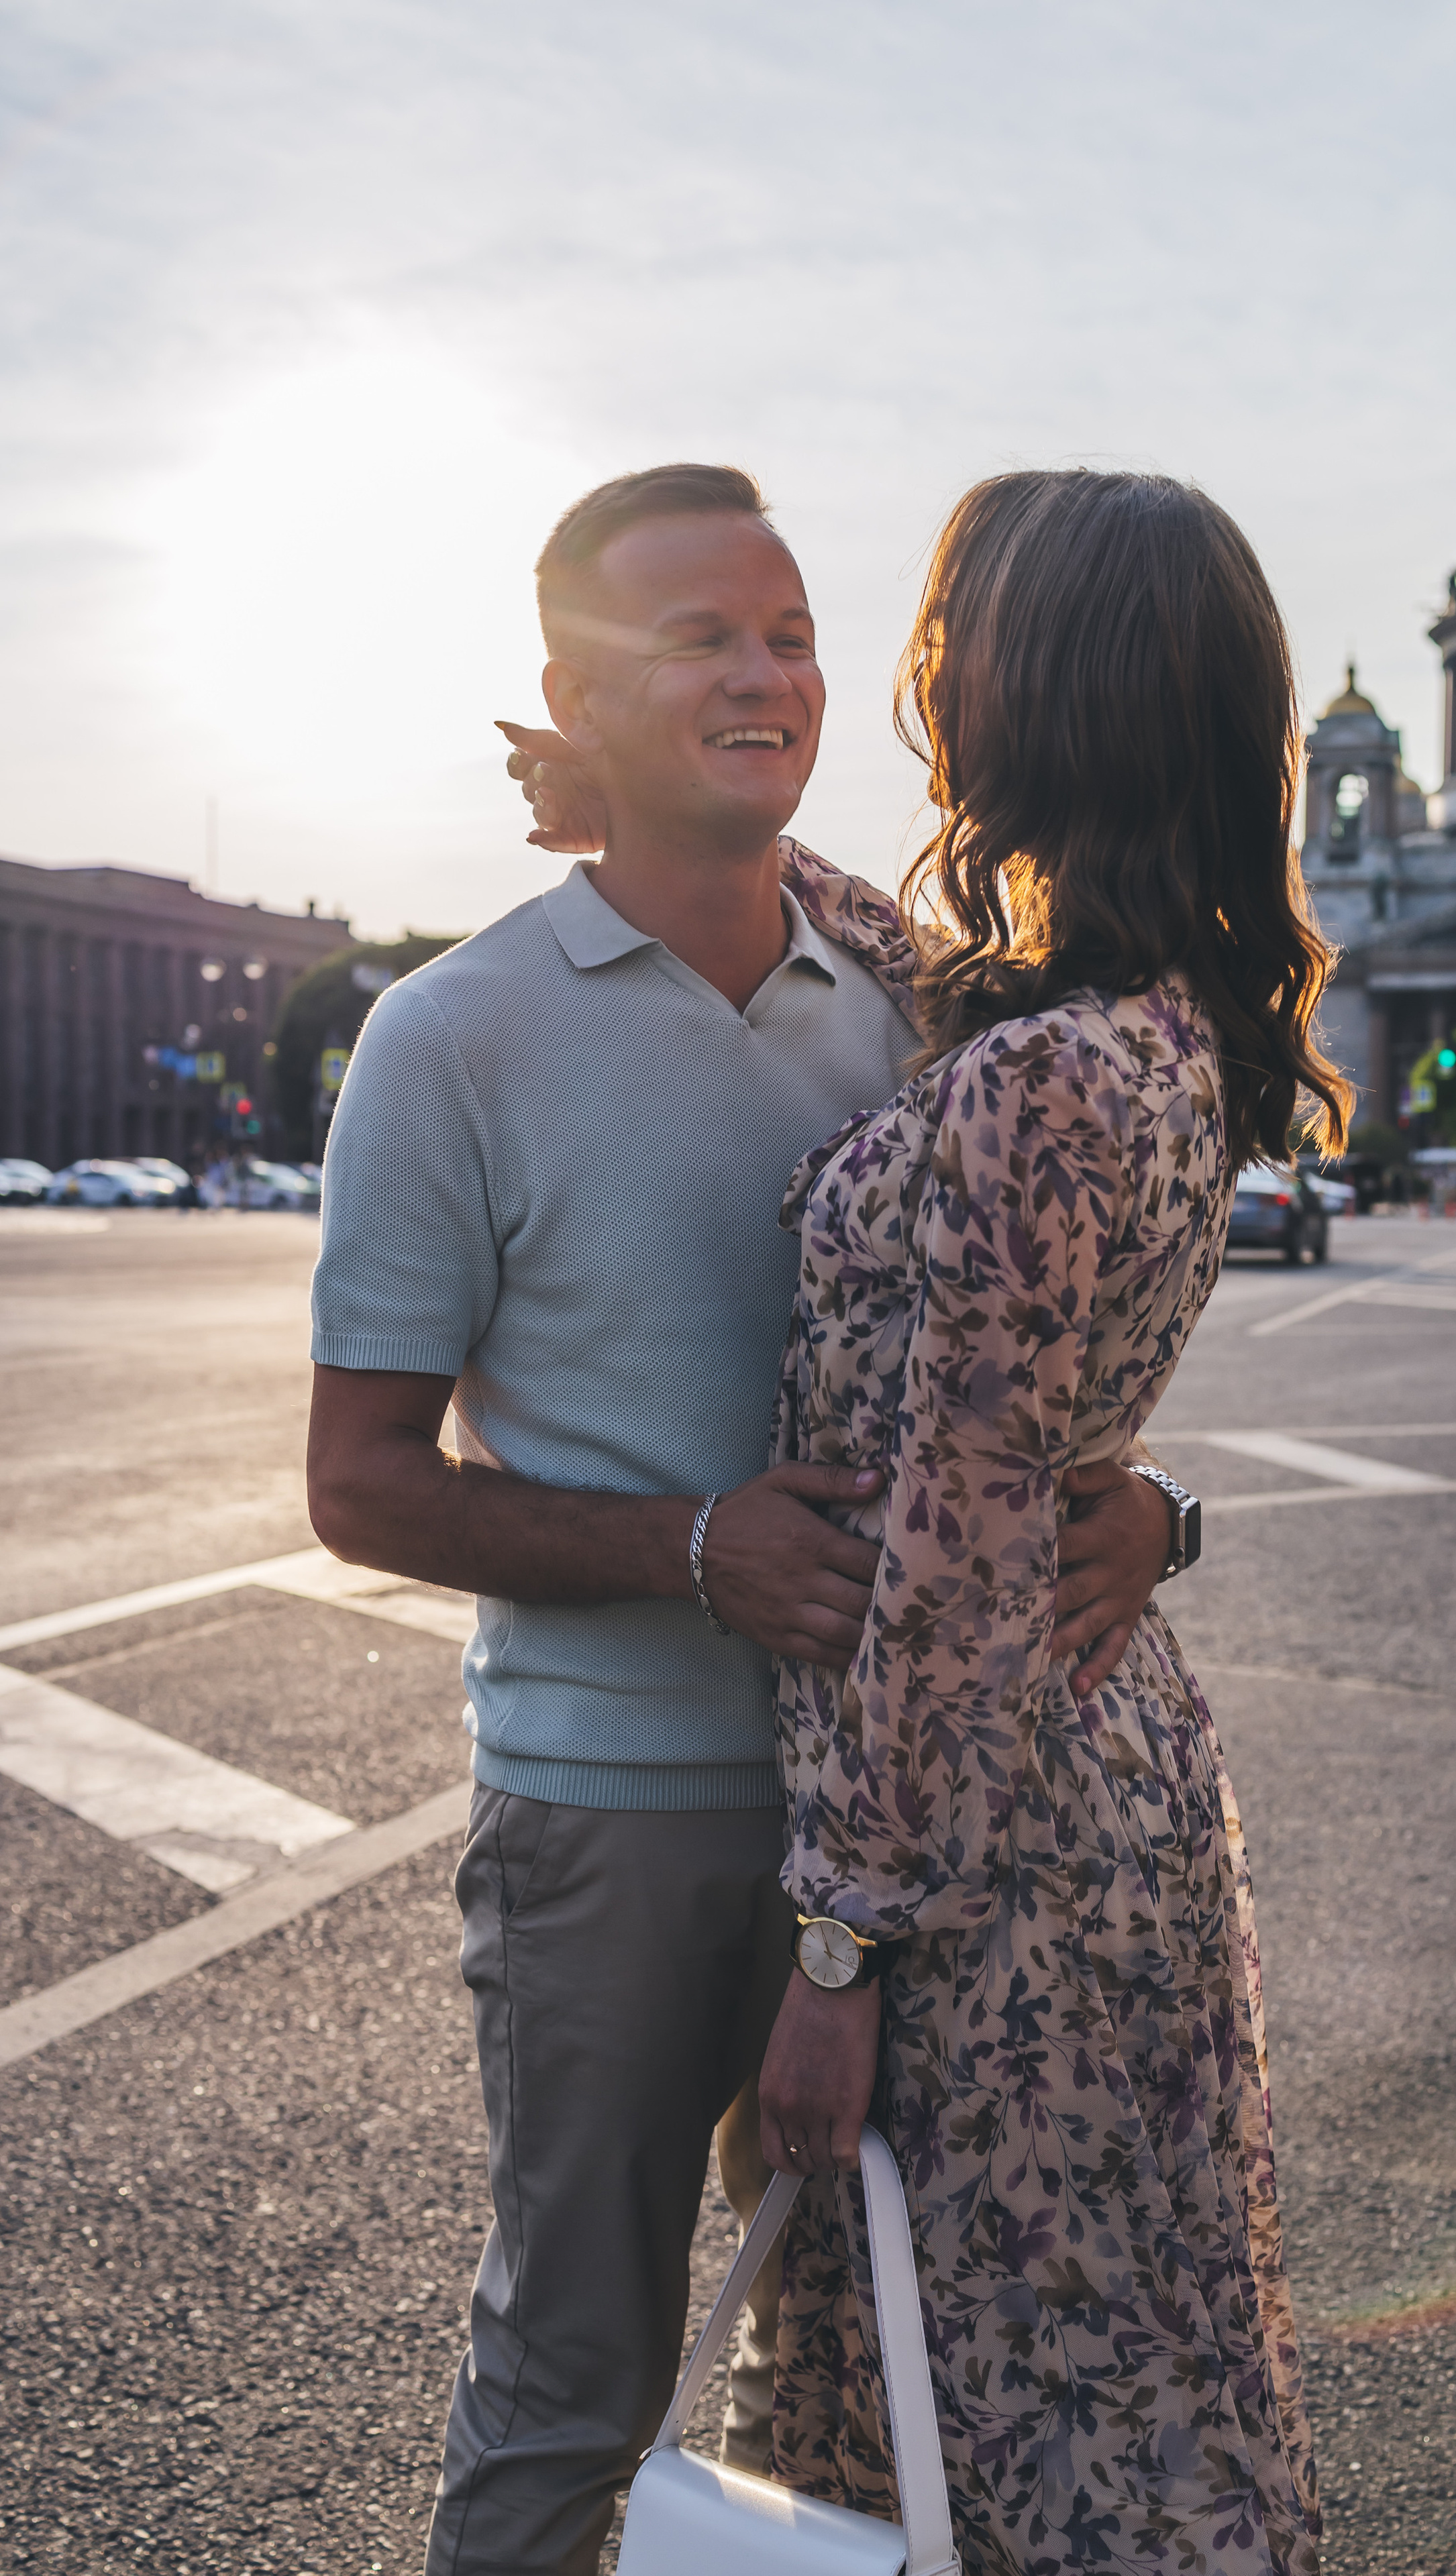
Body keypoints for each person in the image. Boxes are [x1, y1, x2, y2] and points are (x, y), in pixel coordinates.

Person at [305, 462, 1172, 2575]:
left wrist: (1152, 1507)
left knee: (881, 2387)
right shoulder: (446, 1037)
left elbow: (1024, 1366)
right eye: (699, 636)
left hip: (909, 1833)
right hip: (615, 1821)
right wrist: (693, 1549)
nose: (768, 671)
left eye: (789, 631)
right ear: (574, 694)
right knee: (578, 2380)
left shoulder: (915, 1009)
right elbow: (358, 1483)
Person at [749, 470, 1345, 2574]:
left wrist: (837, 1946)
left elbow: (956, 1555)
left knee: (997, 2432)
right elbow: (940, 975)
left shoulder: (1036, 1084)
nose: (931, 676)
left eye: (960, 633)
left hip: (989, 1859)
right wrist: (736, 844)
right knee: (1114, 2392)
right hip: (1105, 1788)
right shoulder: (1150, 1036)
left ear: (1043, 691)